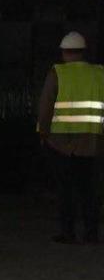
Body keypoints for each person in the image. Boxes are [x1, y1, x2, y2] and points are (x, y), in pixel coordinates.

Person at [38, 31, 104, 244]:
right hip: (93, 142)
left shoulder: (57, 73)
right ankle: (92, 233)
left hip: (61, 143)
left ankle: (68, 233)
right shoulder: (99, 73)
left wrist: (43, 133)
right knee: (89, 191)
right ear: (83, 52)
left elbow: (46, 106)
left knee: (65, 190)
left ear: (64, 52)